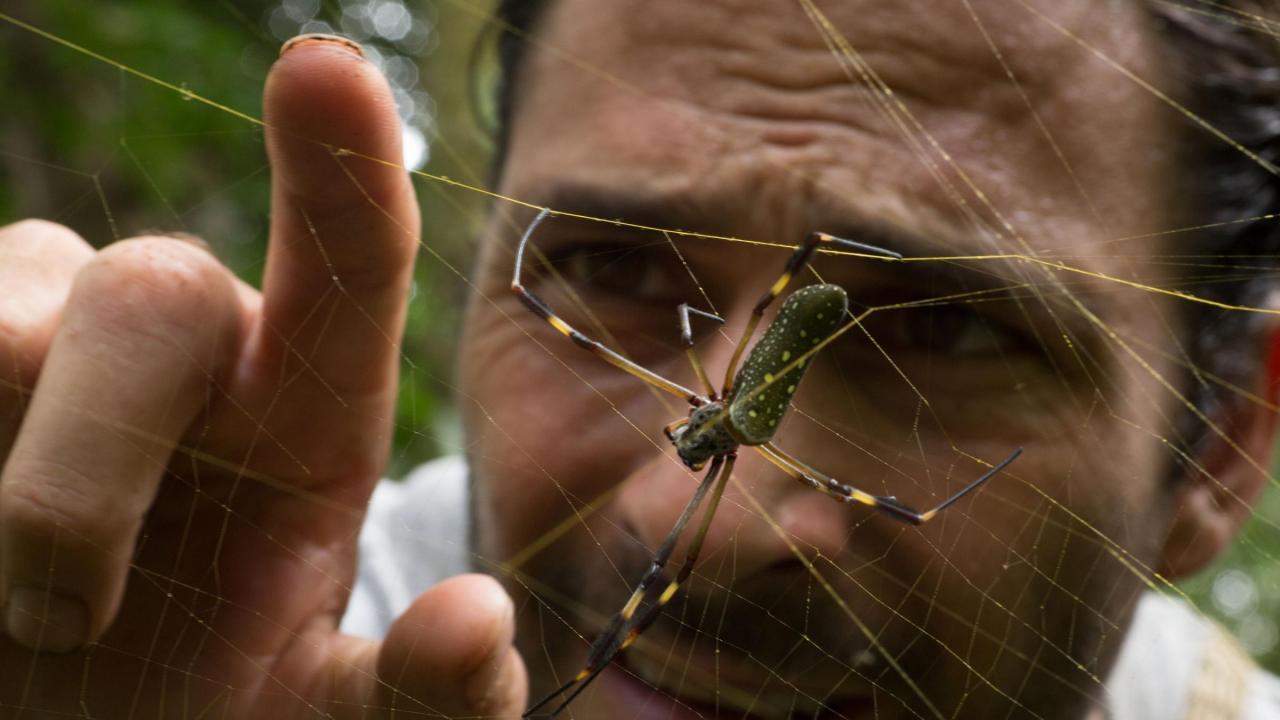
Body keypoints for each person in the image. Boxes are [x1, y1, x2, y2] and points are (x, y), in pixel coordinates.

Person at [1, 0, 1279, 718]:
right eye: (608, 266)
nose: (695, 520)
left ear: (1217, 445)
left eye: (948, 326)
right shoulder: (287, 615)